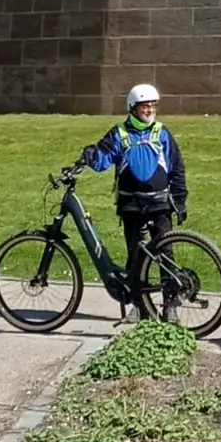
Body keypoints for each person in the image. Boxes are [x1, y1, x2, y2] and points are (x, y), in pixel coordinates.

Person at [82, 82, 188, 319]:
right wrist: (91, 154)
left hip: (160, 204)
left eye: (153, 106)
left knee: (165, 254)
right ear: (132, 108)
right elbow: (102, 160)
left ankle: (170, 305)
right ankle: (140, 306)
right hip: (131, 205)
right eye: (144, 106)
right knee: (136, 255)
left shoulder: (162, 133)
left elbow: (177, 168)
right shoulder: (119, 134)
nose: (149, 110)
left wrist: (179, 200)